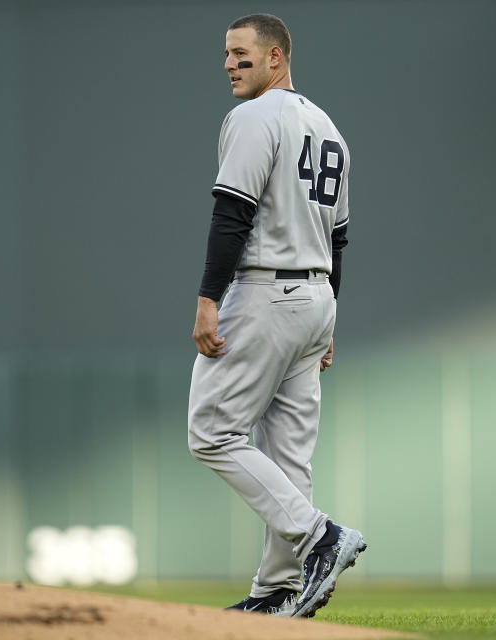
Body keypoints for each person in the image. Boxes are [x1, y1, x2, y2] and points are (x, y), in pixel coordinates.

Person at [187, 13, 364, 619]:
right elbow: (337, 240)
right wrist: (330, 322)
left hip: (265, 293)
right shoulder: (330, 129)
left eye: (242, 53)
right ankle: (280, 591)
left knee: (211, 431)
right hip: (314, 298)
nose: (230, 62)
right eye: (226, 54)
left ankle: (319, 536)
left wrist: (209, 300)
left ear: (276, 59)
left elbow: (231, 213)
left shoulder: (254, 117)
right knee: (288, 454)